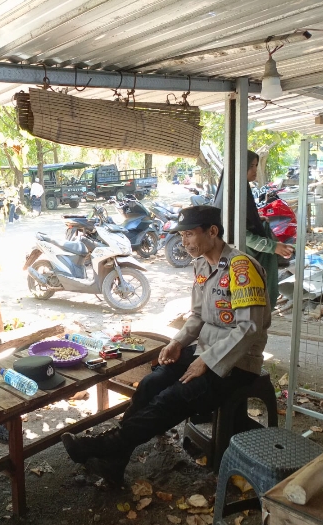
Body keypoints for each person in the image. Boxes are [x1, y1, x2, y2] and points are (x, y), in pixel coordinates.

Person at [61, 206, 271, 486]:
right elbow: (198, 315)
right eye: (181, 236)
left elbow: (249, 328)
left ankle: (105, 447)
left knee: (173, 397)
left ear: (212, 231)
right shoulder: (201, 265)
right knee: (151, 383)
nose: (184, 242)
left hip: (238, 363)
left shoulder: (241, 268)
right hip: (204, 352)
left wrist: (206, 361)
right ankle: (114, 460)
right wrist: (177, 342)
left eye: (189, 234)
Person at [245, 150, 294, 307]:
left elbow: (243, 220)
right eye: (251, 166)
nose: (255, 170)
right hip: (246, 260)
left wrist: (256, 220)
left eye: (256, 165)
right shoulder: (233, 195)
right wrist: (273, 247)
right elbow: (241, 234)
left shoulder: (243, 190)